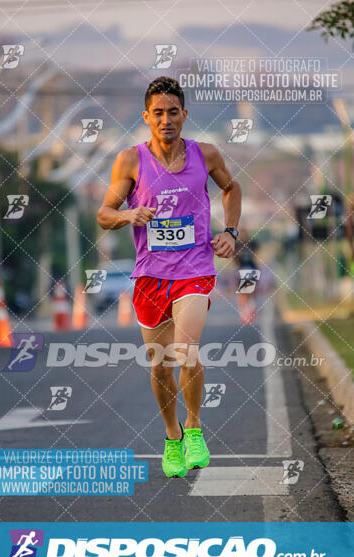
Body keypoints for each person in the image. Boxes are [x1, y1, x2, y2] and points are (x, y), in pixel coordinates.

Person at [97, 77, 241, 478]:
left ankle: (194, 427)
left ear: (184, 115)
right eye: (157, 113)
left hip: (195, 270)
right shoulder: (130, 161)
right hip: (150, 277)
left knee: (186, 349)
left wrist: (230, 231)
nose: (166, 120)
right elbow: (104, 214)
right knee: (159, 365)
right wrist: (128, 214)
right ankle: (172, 435)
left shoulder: (205, 154)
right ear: (147, 117)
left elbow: (232, 187)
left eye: (173, 112)